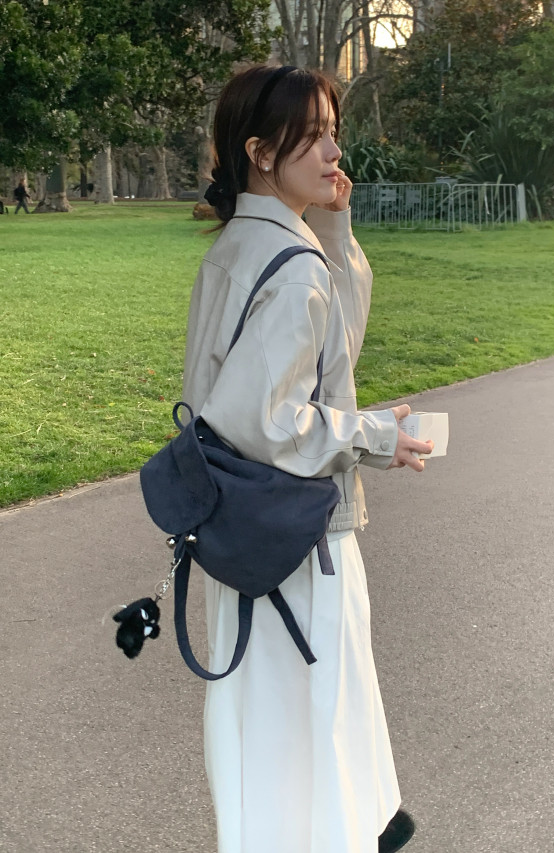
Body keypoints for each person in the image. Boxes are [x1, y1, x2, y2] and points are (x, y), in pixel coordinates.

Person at [181, 64, 433, 853]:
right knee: (317, 716)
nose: (334, 151)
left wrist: (332, 226)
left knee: (268, 719)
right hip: (296, 534)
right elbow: (264, 418)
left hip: (237, 526)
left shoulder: (245, 246)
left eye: (333, 132)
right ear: (260, 151)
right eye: (314, 134)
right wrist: (373, 436)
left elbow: (328, 350)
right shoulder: (291, 268)